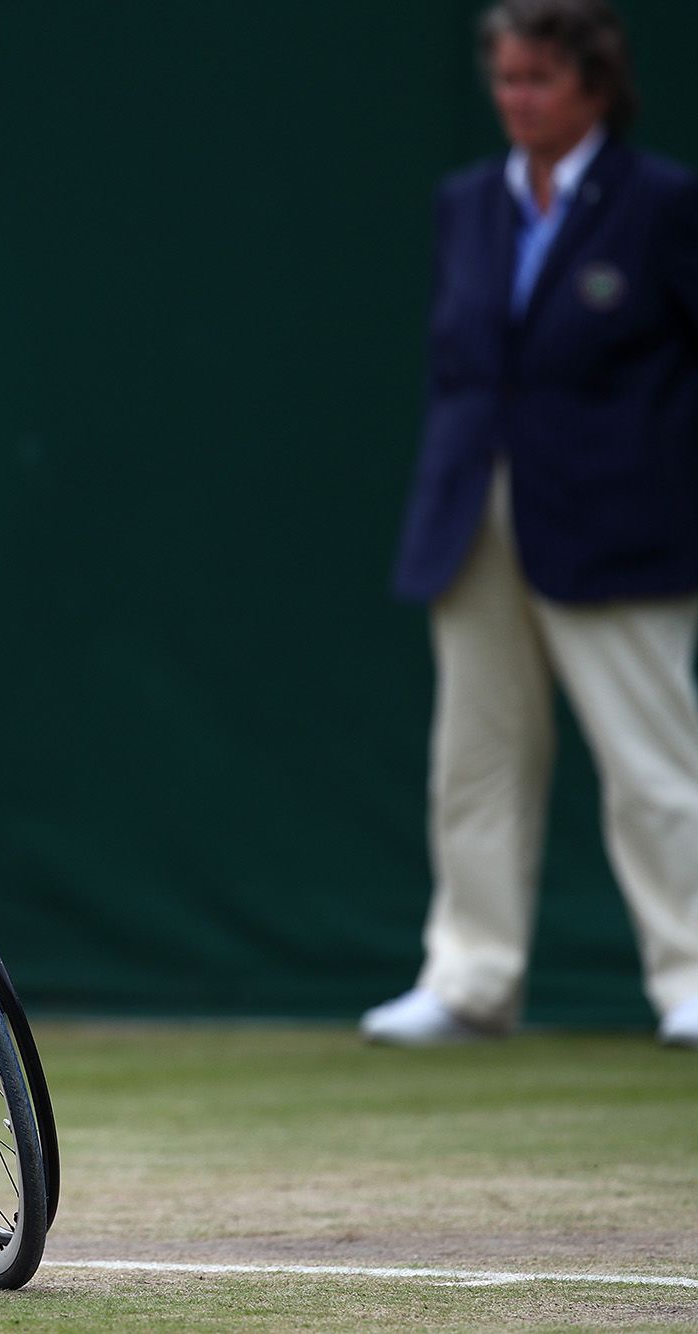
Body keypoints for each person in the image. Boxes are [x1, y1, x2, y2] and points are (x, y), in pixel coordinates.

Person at [367, 0, 698, 1050]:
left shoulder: (660, 204)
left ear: (593, 87)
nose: (515, 98)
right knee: (473, 758)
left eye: (538, 80)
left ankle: (688, 972)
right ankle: (470, 978)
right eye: (505, 79)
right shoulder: (466, 203)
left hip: (618, 521)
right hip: (472, 515)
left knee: (651, 761)